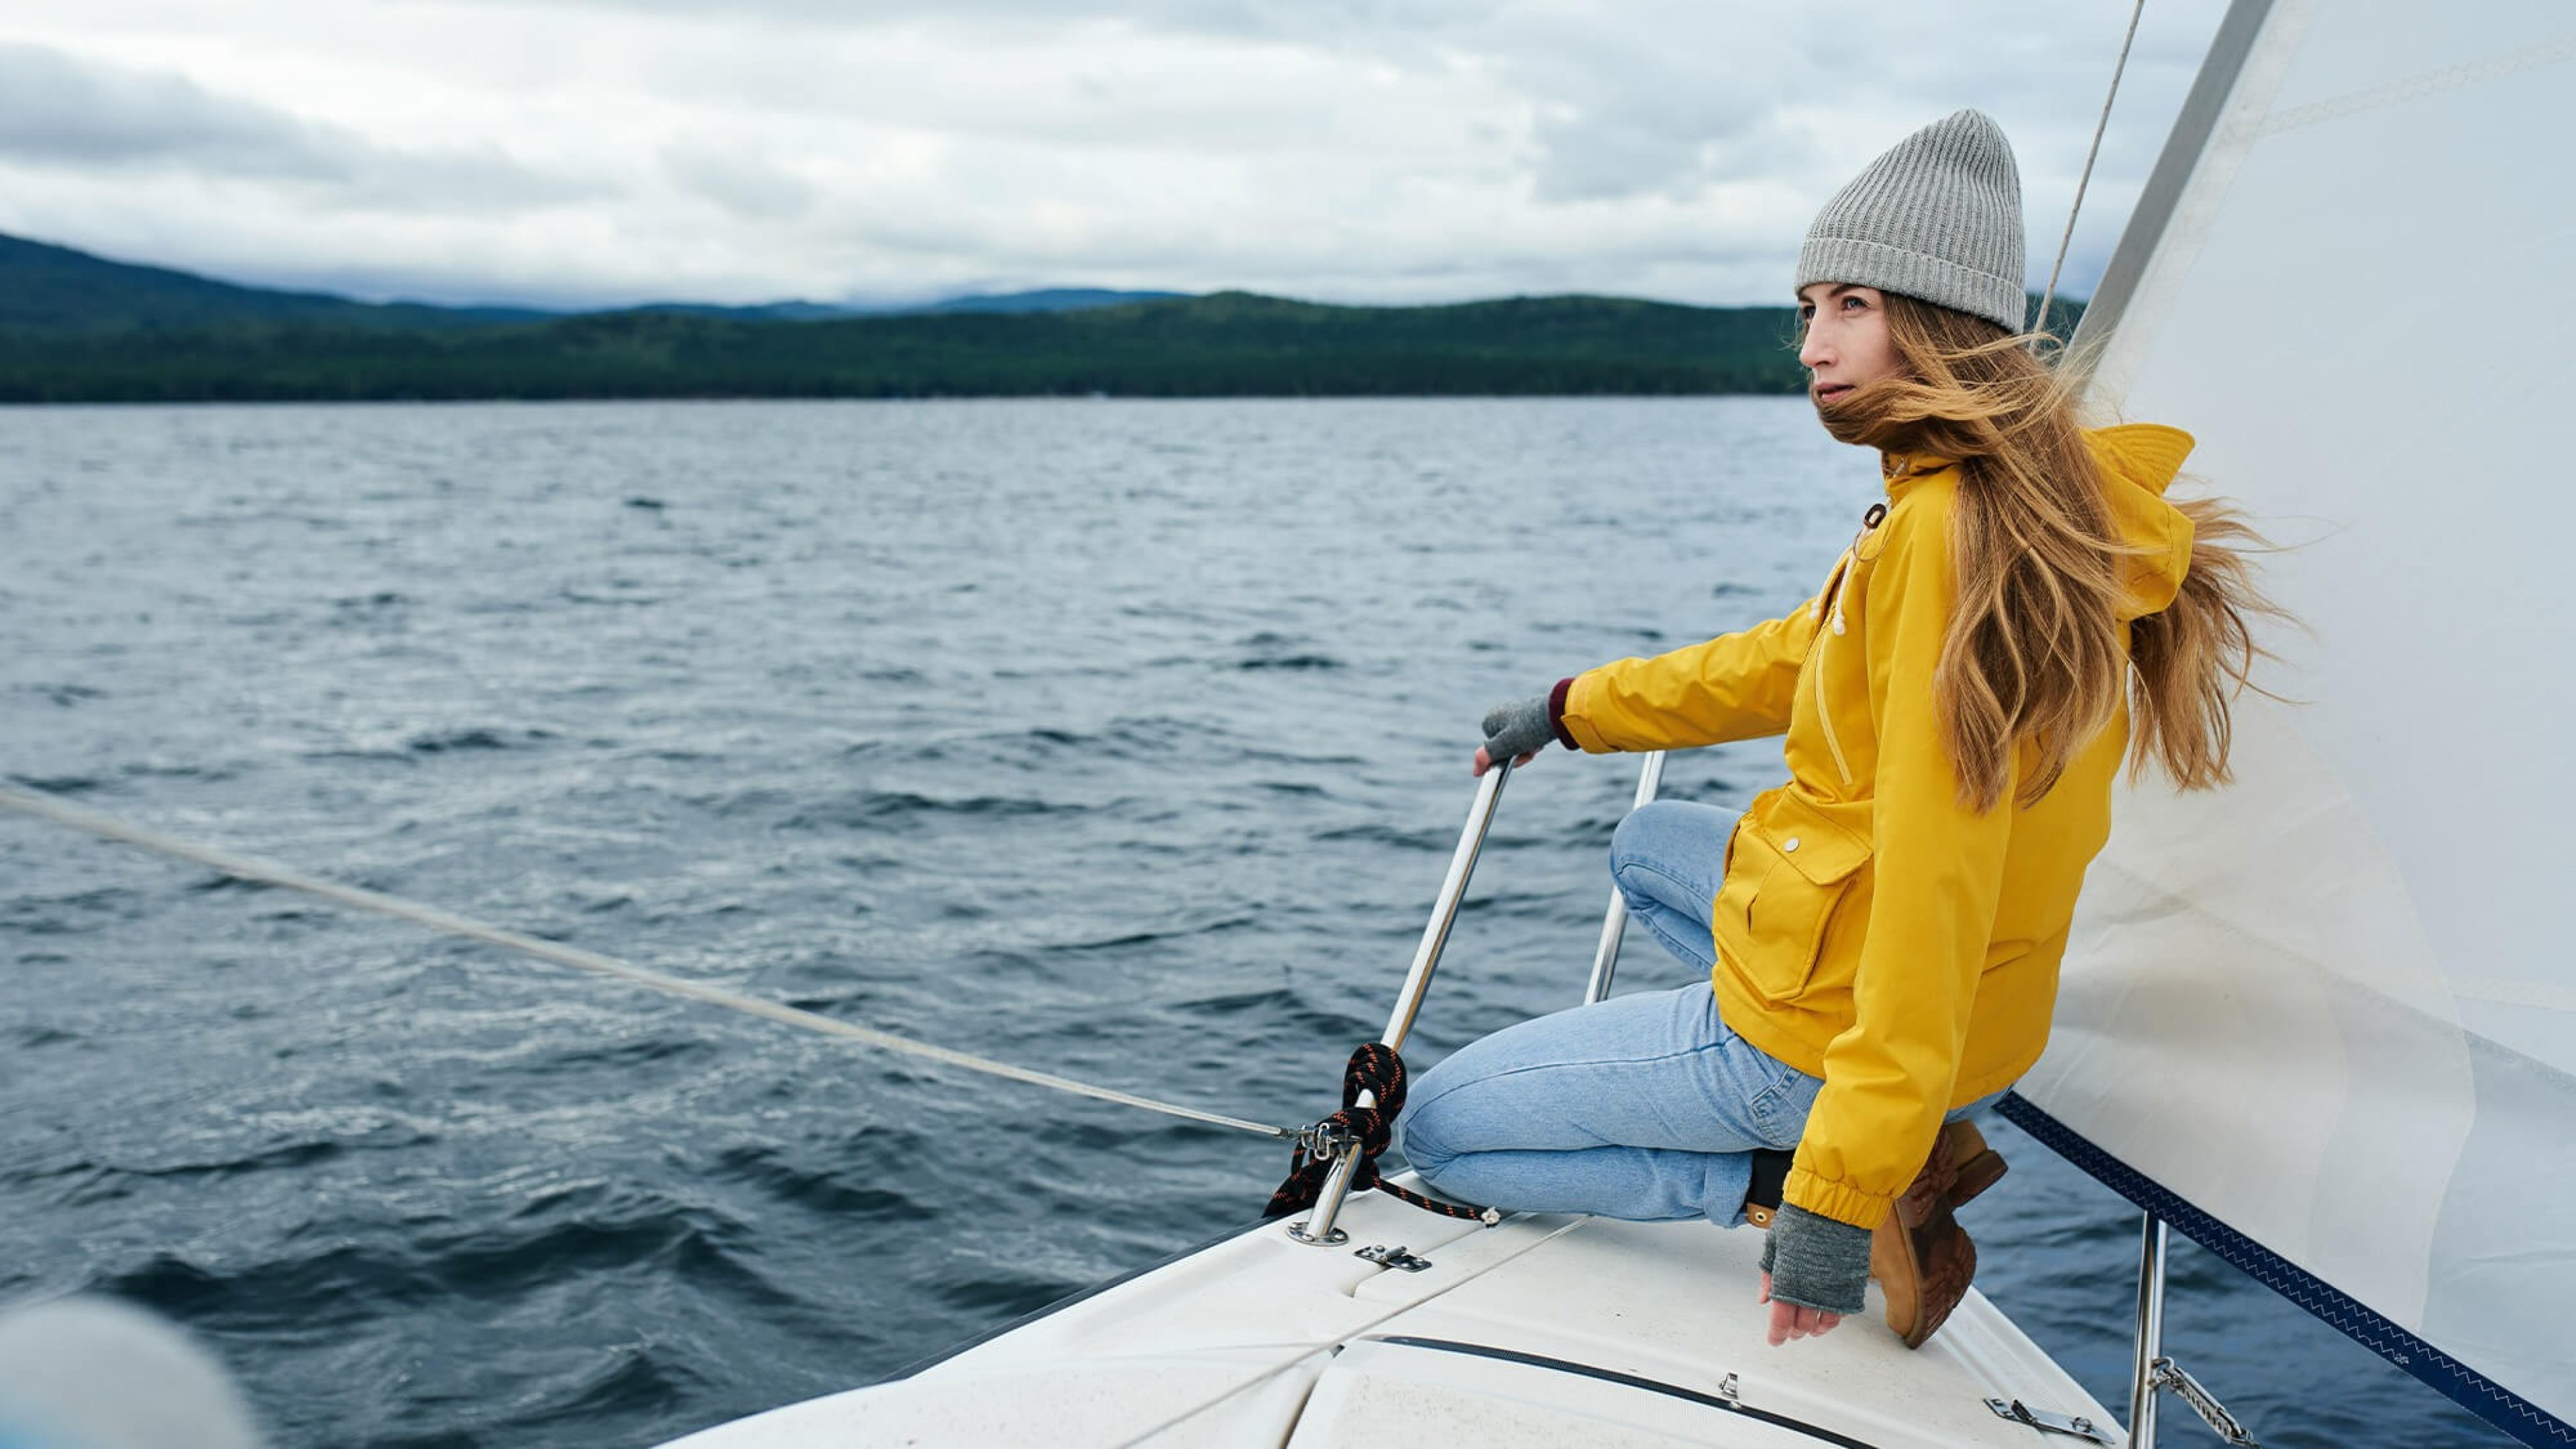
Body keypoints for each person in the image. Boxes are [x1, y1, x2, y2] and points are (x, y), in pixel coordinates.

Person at [1393, 109, 2273, 1350]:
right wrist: (1573, 710)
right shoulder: (2017, 496)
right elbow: (1795, 658)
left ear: (1943, 319)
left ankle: (1760, 1172)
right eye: (1805, 308)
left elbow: (1933, 880)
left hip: (1860, 1030)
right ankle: (1882, 1129)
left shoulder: (1945, 537)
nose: (1811, 346)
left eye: (1849, 304)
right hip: (1982, 1029)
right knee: (1649, 849)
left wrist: (1829, 1189)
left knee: (1437, 1131)